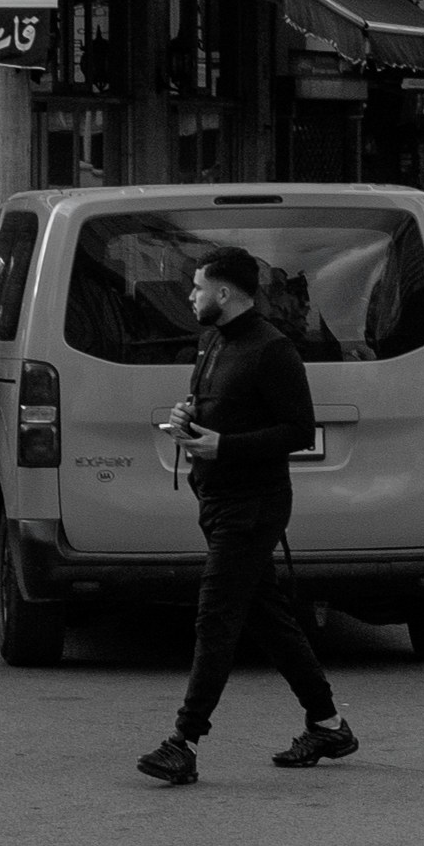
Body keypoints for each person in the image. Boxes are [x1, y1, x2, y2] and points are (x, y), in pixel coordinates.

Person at [137, 243, 355, 786]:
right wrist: (187, 416)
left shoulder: (272, 349)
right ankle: (328, 724)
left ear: (226, 292)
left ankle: (183, 742)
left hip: (253, 505)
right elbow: (213, 402)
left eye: (197, 286)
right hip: (216, 499)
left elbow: (298, 431)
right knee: (268, 616)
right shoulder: (213, 339)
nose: (190, 294)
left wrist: (226, 446)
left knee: (216, 616)